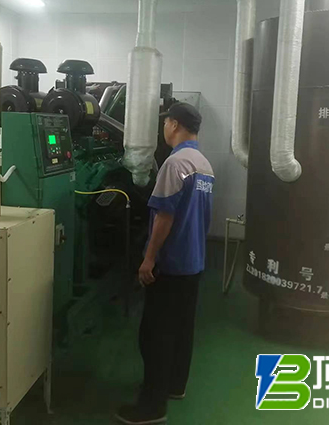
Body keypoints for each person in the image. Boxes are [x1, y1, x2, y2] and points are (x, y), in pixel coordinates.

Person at [116, 102, 215, 425]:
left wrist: (148, 258)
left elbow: (164, 216)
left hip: (171, 263)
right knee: (182, 328)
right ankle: (174, 385)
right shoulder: (203, 165)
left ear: (173, 125)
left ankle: (151, 408)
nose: (164, 129)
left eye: (165, 123)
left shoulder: (175, 164)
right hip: (194, 261)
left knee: (155, 334)